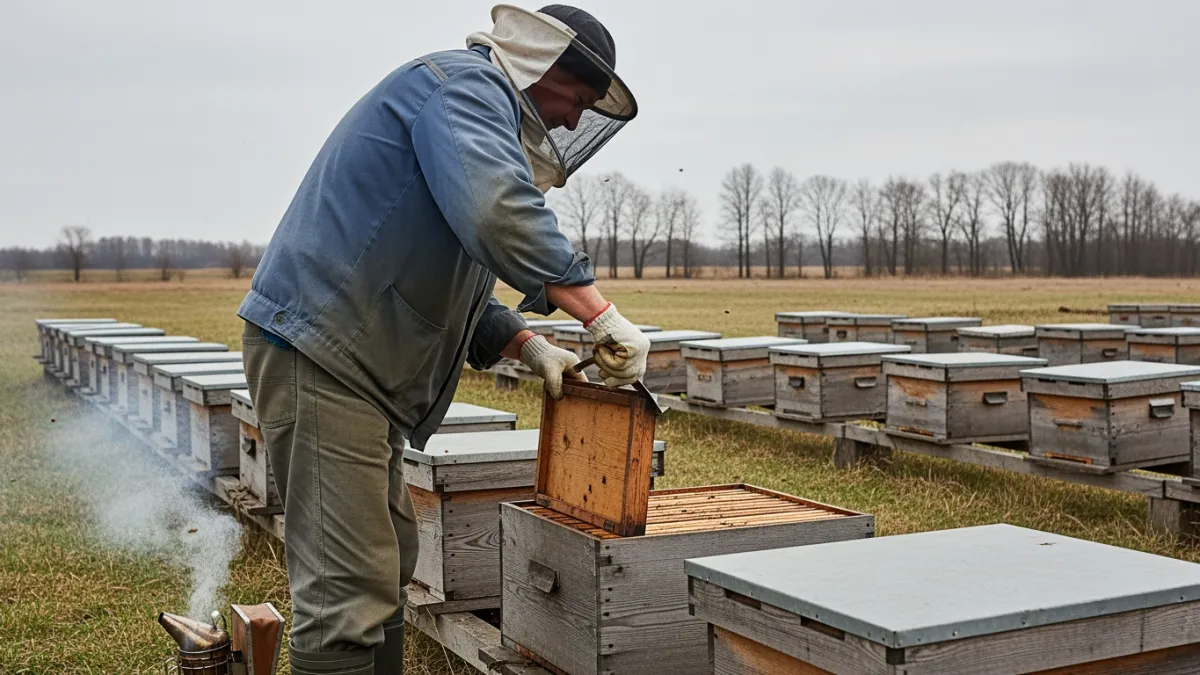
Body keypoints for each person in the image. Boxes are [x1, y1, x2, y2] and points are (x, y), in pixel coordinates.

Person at [236, 4, 649, 674]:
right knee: (348, 589)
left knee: (387, 557)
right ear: (540, 65)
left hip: (351, 365)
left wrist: (526, 344)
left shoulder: (468, 116)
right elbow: (496, 211)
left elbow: (454, 283)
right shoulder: (462, 88)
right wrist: (596, 311)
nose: (574, 120)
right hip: (324, 356)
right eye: (576, 98)